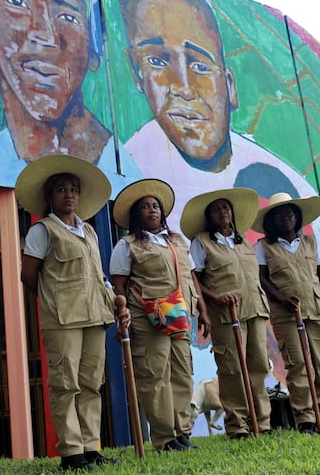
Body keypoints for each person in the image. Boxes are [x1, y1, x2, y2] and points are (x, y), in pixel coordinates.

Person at [117, 0, 317, 231]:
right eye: (156, 61)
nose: (182, 89)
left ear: (230, 86)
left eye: (200, 65)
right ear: (136, 73)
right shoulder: (134, 166)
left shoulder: (283, 178)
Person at [0, 0, 141, 192]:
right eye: (16, 3)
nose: (45, 36)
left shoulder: (128, 179)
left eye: (67, 16)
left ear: (94, 45)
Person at [16, 154, 126, 472]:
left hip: (95, 315)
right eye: (61, 189)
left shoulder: (89, 232)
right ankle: (71, 452)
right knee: (65, 384)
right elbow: (28, 275)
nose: (69, 194)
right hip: (62, 319)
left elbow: (100, 276)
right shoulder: (43, 230)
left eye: (73, 189)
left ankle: (91, 447)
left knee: (91, 383)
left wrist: (113, 300)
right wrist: (54, 299)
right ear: (50, 197)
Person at [109, 179, 211, 452]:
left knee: (182, 372)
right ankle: (165, 437)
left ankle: (182, 432)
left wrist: (202, 310)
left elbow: (191, 277)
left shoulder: (177, 240)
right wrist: (124, 317)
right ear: (135, 215)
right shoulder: (127, 244)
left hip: (179, 314)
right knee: (155, 376)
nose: (152, 210)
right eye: (145, 207)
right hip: (147, 316)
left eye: (156, 206)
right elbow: (119, 282)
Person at [181, 188, 272, 438]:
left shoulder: (241, 241)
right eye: (216, 209)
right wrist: (208, 308)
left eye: (226, 208)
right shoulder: (201, 242)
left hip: (255, 310)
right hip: (225, 314)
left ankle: (262, 423)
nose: (223, 212)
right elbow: (194, 279)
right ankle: (238, 425)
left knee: (259, 365)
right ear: (209, 217)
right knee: (232, 369)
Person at [254, 192, 320, 434]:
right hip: (285, 313)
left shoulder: (311, 243)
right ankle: (305, 419)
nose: (286, 217)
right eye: (280, 214)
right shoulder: (263, 246)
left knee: (319, 364)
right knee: (298, 364)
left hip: (317, 309)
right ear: (271, 220)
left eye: (290, 213)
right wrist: (281, 298)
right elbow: (261, 278)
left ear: (298, 217)